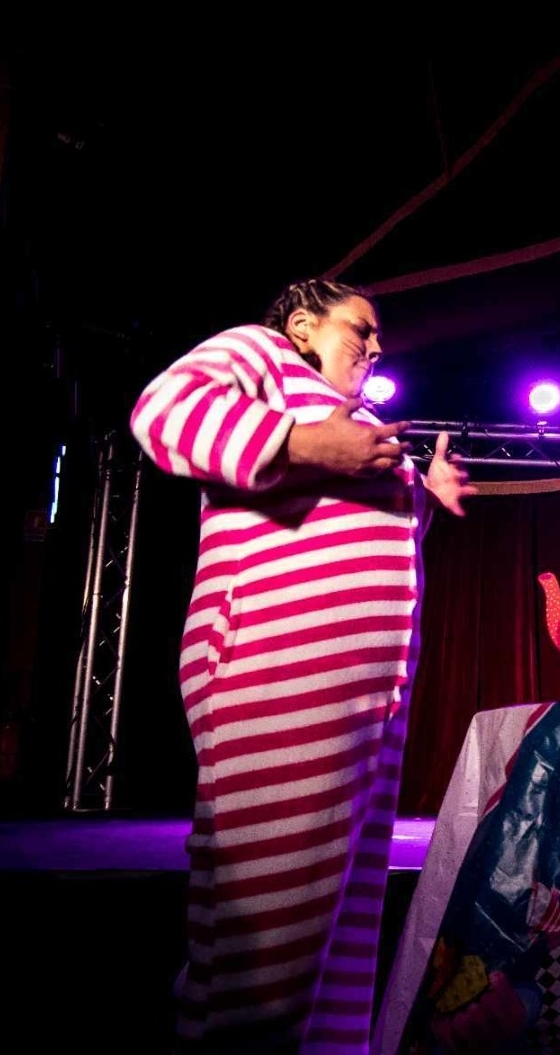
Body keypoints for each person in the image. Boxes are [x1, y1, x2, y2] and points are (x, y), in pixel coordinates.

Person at [129, 278, 477, 1053]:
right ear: (299, 326)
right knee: (267, 945)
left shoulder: (348, 419)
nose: (377, 346)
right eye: (361, 329)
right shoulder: (260, 356)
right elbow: (161, 411)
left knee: (333, 939)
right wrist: (305, 443)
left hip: (363, 700)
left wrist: (421, 499)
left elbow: (342, 535)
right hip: (280, 676)